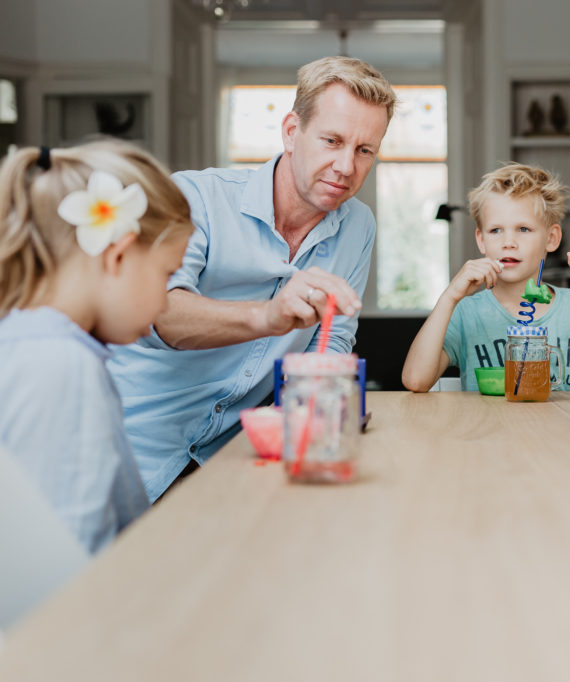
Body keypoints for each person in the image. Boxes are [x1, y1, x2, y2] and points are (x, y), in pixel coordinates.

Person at [108, 56, 397, 501]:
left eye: (364, 150)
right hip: (134, 455)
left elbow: (334, 337)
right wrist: (270, 316)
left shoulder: (358, 225)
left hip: (239, 458)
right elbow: (161, 313)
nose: (346, 166)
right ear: (291, 132)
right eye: (332, 140)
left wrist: (316, 407)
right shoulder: (196, 197)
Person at [0, 141, 194, 552]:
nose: (164, 302)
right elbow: (69, 563)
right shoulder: (60, 365)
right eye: (167, 274)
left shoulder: (29, 345)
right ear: (117, 256)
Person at [401, 163, 570, 392]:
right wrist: (449, 297)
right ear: (481, 240)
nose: (508, 243)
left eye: (523, 229)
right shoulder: (466, 312)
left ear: (552, 238)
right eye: (495, 230)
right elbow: (415, 379)